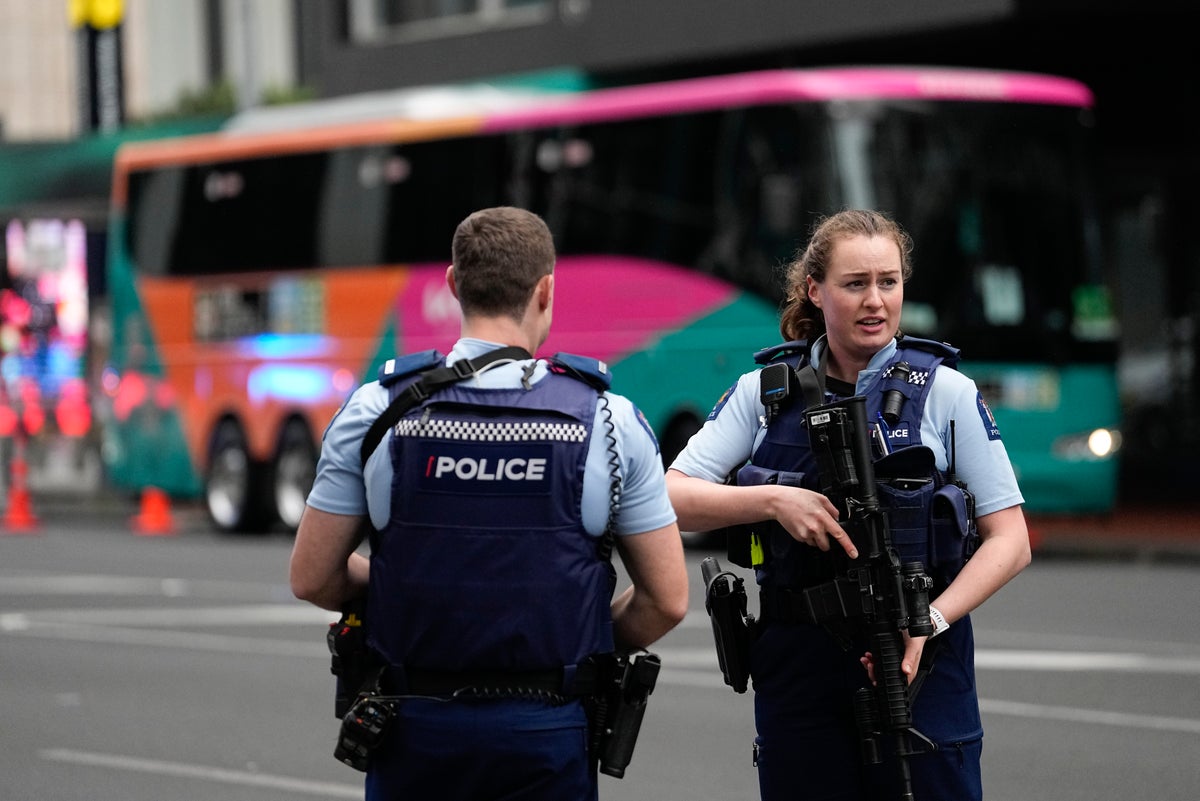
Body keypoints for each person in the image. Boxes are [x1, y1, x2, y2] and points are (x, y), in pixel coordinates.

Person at [290, 206, 689, 801]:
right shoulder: (611, 421)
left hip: (413, 727)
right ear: (546, 290)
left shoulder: (376, 411)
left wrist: (423, 585)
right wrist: (572, 629)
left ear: (453, 285)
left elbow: (313, 577)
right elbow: (667, 600)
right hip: (547, 730)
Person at [666, 209, 1030, 801]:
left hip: (919, 664)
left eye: (888, 281)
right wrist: (773, 501)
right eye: (855, 283)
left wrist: (928, 623)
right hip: (799, 669)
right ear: (815, 290)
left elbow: (1011, 541)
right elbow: (672, 498)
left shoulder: (947, 392)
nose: (875, 301)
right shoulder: (764, 392)